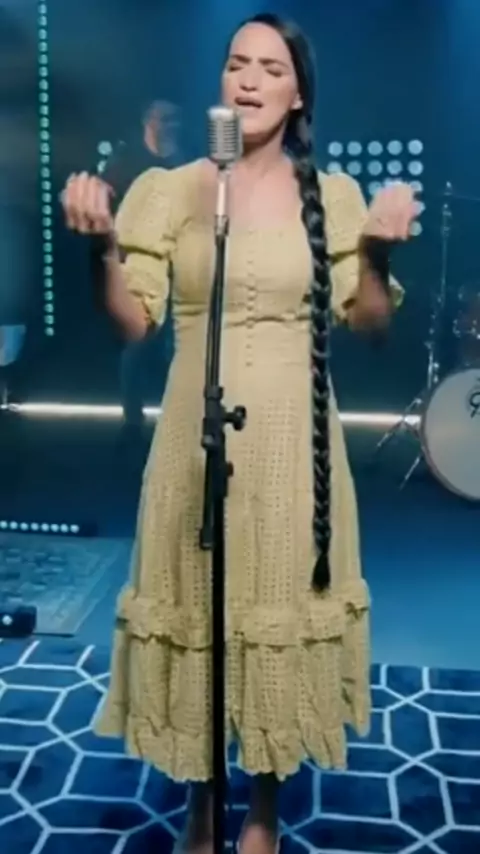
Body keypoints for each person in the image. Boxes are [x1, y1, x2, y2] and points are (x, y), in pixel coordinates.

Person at [61, 13, 416, 854]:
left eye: (270, 68)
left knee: (274, 611)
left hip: (294, 446)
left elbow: (369, 324)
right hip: (193, 441)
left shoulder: (331, 196)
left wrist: (376, 256)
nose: (249, 79)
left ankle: (262, 806)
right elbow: (132, 323)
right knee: (199, 609)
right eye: (236, 63)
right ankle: (201, 796)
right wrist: (102, 249)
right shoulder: (171, 190)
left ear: (298, 96)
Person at [96, 100, 181, 434]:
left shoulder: (184, 163)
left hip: (178, 267)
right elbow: (105, 201)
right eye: (164, 118)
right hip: (135, 266)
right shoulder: (126, 160)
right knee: (136, 344)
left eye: (174, 119)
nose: (170, 125)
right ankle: (133, 421)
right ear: (148, 121)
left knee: (176, 346)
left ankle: (176, 419)